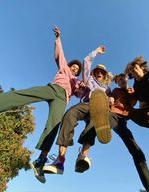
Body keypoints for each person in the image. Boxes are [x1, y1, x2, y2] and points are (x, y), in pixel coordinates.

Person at [0, 26, 83, 183]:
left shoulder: (76, 82)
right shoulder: (64, 67)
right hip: (52, 88)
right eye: (74, 67)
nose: (75, 69)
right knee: (26, 94)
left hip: (62, 99)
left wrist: (84, 86)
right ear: (70, 66)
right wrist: (57, 38)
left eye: (77, 70)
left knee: (54, 125)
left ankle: (41, 160)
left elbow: (82, 93)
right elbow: (60, 55)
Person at [75, 73, 149, 191]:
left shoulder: (133, 91)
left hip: (123, 123)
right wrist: (110, 99)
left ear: (126, 79)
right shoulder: (116, 90)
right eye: (118, 80)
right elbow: (111, 98)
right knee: (100, 121)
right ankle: (83, 154)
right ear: (117, 83)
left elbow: (141, 100)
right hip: (112, 114)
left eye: (122, 79)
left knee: (137, 153)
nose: (120, 81)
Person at [42, 45, 112, 175]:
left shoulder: (108, 90)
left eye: (101, 72)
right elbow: (86, 62)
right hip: (85, 104)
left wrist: (111, 100)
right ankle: (60, 160)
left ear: (105, 75)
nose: (99, 73)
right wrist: (96, 51)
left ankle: (83, 155)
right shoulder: (89, 79)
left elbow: (110, 101)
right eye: (97, 71)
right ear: (94, 73)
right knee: (69, 114)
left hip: (98, 109)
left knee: (96, 122)